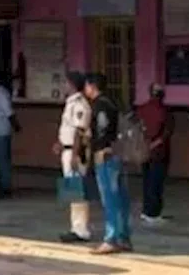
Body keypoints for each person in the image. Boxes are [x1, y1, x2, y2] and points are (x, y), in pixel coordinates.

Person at [83, 73, 132, 254]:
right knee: (121, 198)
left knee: (110, 198)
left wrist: (100, 147)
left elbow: (102, 128)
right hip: (118, 153)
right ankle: (123, 237)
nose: (85, 89)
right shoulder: (115, 102)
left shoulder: (100, 105)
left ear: (92, 86)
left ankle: (111, 238)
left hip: (105, 155)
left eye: (87, 86)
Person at [54, 71, 92, 243]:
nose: (64, 86)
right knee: (72, 191)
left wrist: (75, 155)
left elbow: (79, 132)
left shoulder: (80, 105)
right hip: (67, 150)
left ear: (72, 84)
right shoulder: (70, 103)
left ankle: (81, 229)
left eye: (66, 82)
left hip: (75, 152)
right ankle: (75, 227)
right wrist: (60, 143)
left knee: (77, 191)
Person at [136, 83, 173, 223]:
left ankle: (146, 211)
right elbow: (166, 133)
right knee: (156, 183)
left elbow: (136, 129)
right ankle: (153, 213)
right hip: (159, 153)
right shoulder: (164, 111)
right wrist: (154, 144)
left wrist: (144, 146)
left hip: (144, 151)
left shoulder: (141, 109)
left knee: (146, 182)